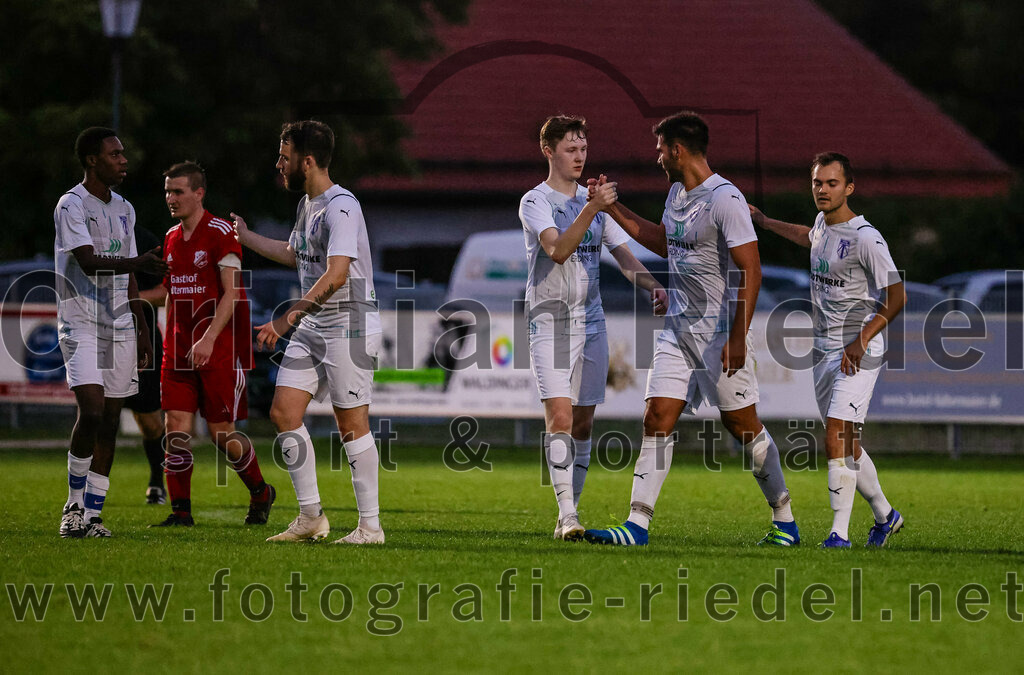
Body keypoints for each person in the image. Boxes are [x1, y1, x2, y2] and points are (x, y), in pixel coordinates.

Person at [584, 111, 800, 547]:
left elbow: (751, 268)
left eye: (660, 148)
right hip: (678, 331)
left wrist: (738, 336)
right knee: (656, 416)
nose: (657, 156)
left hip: (720, 335)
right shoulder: (677, 194)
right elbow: (665, 241)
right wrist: (612, 207)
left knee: (742, 426)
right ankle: (636, 526)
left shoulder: (726, 199)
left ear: (677, 149)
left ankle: (785, 520)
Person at [233, 120, 384, 545]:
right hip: (316, 323)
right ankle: (311, 517)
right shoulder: (308, 205)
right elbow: (294, 252)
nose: (278, 164)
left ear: (309, 160)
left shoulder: (342, 206)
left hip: (350, 323)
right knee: (283, 413)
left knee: (351, 425)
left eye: (284, 156)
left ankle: (371, 526)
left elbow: (337, 274)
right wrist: (246, 238)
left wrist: (287, 318)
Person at [518, 115, 667, 541]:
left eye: (583, 148)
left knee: (582, 424)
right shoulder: (536, 201)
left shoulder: (594, 204)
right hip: (549, 323)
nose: (580, 156)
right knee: (560, 416)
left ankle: (573, 509)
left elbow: (623, 256)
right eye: (570, 149)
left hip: (592, 322)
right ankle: (566, 516)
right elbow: (559, 250)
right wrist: (593, 206)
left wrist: (654, 287)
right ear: (548, 151)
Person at [749, 152, 905, 548]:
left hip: (858, 348)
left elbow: (897, 294)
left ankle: (839, 533)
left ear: (849, 188)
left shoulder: (865, 237)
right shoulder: (822, 224)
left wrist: (862, 338)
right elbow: (810, 236)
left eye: (832, 183)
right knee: (847, 443)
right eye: (818, 182)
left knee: (837, 434)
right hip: (824, 350)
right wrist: (765, 223)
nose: (823, 189)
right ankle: (886, 516)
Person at [142, 161, 275, 527]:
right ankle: (181, 511)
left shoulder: (219, 233)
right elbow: (170, 292)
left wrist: (208, 338)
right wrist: (134, 299)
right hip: (178, 351)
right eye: (168, 191)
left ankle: (261, 491)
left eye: (178, 191)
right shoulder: (170, 238)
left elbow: (233, 293)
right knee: (176, 428)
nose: (171, 198)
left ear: (199, 193)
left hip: (218, 351)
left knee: (221, 434)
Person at [55, 127, 167, 538]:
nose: (123, 159)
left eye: (123, 153)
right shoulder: (71, 205)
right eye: (114, 154)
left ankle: (93, 516)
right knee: (93, 410)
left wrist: (140, 326)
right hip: (81, 322)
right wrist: (137, 263)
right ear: (91, 160)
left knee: (112, 419)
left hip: (121, 324)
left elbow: (131, 278)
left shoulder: (125, 208)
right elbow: (86, 262)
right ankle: (72, 507)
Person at [125, 224, 168, 505]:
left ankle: (157, 480)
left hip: (142, 339)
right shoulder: (83, 237)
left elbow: (166, 292)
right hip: (99, 337)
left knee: (150, 421)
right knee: (94, 412)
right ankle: (85, 494)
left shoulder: (143, 239)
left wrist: (129, 300)